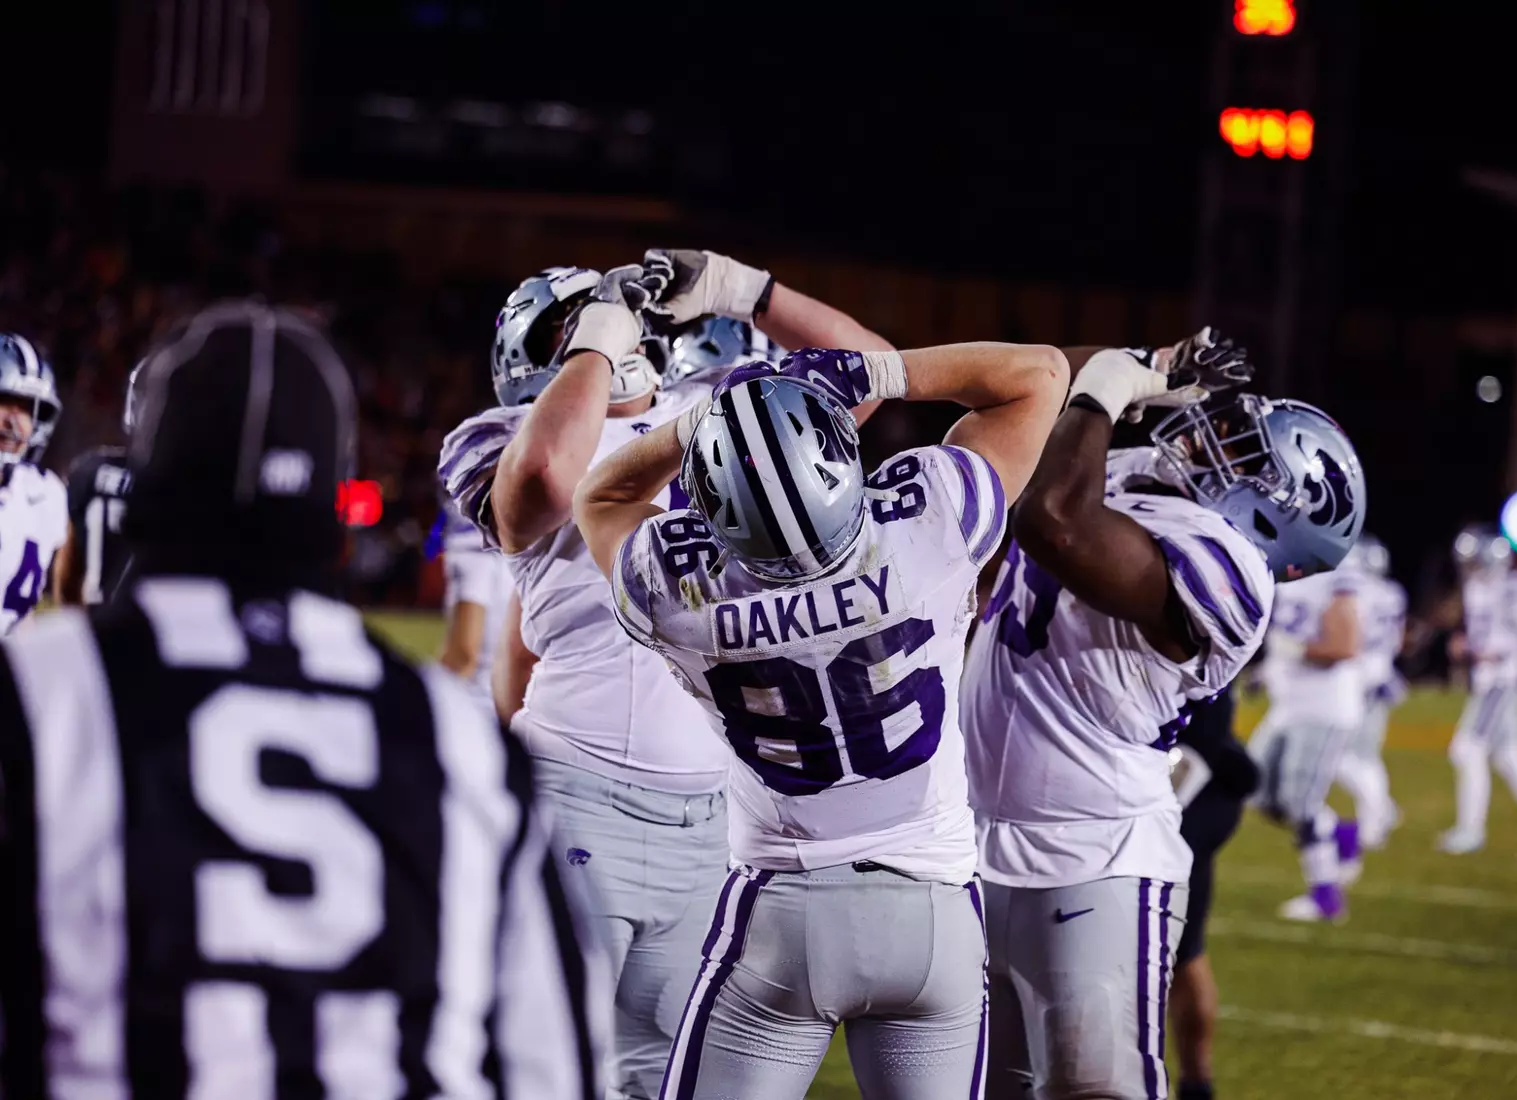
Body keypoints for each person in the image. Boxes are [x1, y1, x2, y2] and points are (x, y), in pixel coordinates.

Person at [0, 301, 610, 1098]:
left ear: (145, 480)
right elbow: (557, 1065)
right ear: (338, 517)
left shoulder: (42, 695)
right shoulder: (456, 740)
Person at [439, 249, 892, 1100]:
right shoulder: (497, 439)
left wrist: (752, 293)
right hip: (575, 792)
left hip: (716, 817)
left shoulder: (709, 408)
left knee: (660, 1078)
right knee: (533, 1063)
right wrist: (598, 348)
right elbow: (542, 478)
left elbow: (867, 372)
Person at [576, 340, 1066, 1100]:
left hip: (783, 916)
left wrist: (698, 425)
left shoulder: (680, 594)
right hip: (933, 912)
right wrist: (878, 374)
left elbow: (600, 499)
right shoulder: (930, 524)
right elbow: (1039, 377)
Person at [966, 335, 1365, 1099]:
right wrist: (1144, 361)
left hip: (1096, 864)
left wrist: (1111, 392)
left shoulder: (1233, 570)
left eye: (1248, 460)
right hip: (976, 849)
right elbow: (1047, 377)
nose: (1216, 446)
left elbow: (1055, 522)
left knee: (1097, 1089)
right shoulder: (1138, 477)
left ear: (1277, 517)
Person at [1437, 526, 1517, 861]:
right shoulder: (1479, 588)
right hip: (1489, 681)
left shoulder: (1510, 589)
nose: (1470, 570)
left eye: (1475, 563)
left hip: (1500, 682)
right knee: (1509, 755)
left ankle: (1471, 831)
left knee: (1466, 749)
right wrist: (1470, 646)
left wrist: (1497, 650)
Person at [1249, 560, 1364, 921]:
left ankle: (1326, 897)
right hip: (1287, 704)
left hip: (1323, 707)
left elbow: (1345, 646)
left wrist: (1295, 650)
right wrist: (1266, 670)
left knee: (1300, 802)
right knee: (1258, 791)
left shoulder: (1335, 573)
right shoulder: (1285, 568)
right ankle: (1340, 833)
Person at [1168, 692, 1257, 1100]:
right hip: (1175, 779)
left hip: (1193, 786)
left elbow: (1202, 733)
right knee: (1180, 952)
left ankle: (1195, 1084)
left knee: (1175, 951)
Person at [1333, 534, 1407, 848]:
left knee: (1348, 758)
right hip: (1382, 677)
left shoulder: (1360, 593)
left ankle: (1378, 817)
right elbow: (1398, 639)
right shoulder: (1393, 593)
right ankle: (1380, 814)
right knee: (1362, 758)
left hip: (1363, 680)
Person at [55, 362, 142, 607]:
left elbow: (69, 572)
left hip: (93, 626)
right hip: (157, 634)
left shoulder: (90, 470)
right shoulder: (192, 486)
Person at [0, 333, 67, 635]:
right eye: (4, 402)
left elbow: (59, 600)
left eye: (27, 407)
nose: (14, 421)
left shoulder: (46, 495)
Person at [432, 495, 512, 715]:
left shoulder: (471, 548)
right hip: (512, 704)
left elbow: (464, 654)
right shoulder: (519, 547)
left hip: (477, 708)